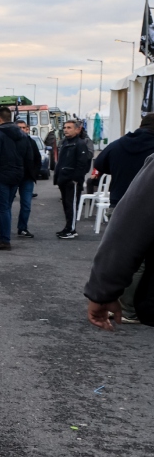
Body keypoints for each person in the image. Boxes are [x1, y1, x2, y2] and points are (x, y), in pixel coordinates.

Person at [92, 113, 154, 323]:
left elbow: (100, 163)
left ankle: (125, 305)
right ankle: (129, 308)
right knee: (143, 265)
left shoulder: (119, 144)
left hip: (119, 201)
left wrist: (101, 292)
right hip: (143, 205)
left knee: (128, 252)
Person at [0, 107, 29, 250]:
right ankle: (4, 236)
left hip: (0, 174)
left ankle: (4, 239)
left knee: (1, 208)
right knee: (6, 207)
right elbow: (27, 155)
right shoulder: (22, 134)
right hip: (16, 174)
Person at [54, 119, 94, 240]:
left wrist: (76, 179)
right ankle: (68, 227)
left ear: (78, 129)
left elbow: (83, 163)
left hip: (73, 181)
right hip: (63, 179)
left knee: (72, 205)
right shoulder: (65, 142)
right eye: (65, 127)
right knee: (66, 205)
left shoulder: (80, 143)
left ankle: (71, 229)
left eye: (69, 127)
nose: (66, 130)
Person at [14, 120, 41, 238]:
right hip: (12, 177)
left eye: (24, 128)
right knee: (6, 204)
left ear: (27, 129)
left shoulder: (31, 142)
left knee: (26, 205)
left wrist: (34, 173)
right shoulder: (10, 142)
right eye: (19, 128)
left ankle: (22, 228)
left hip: (27, 178)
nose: (22, 130)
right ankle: (3, 227)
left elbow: (37, 159)